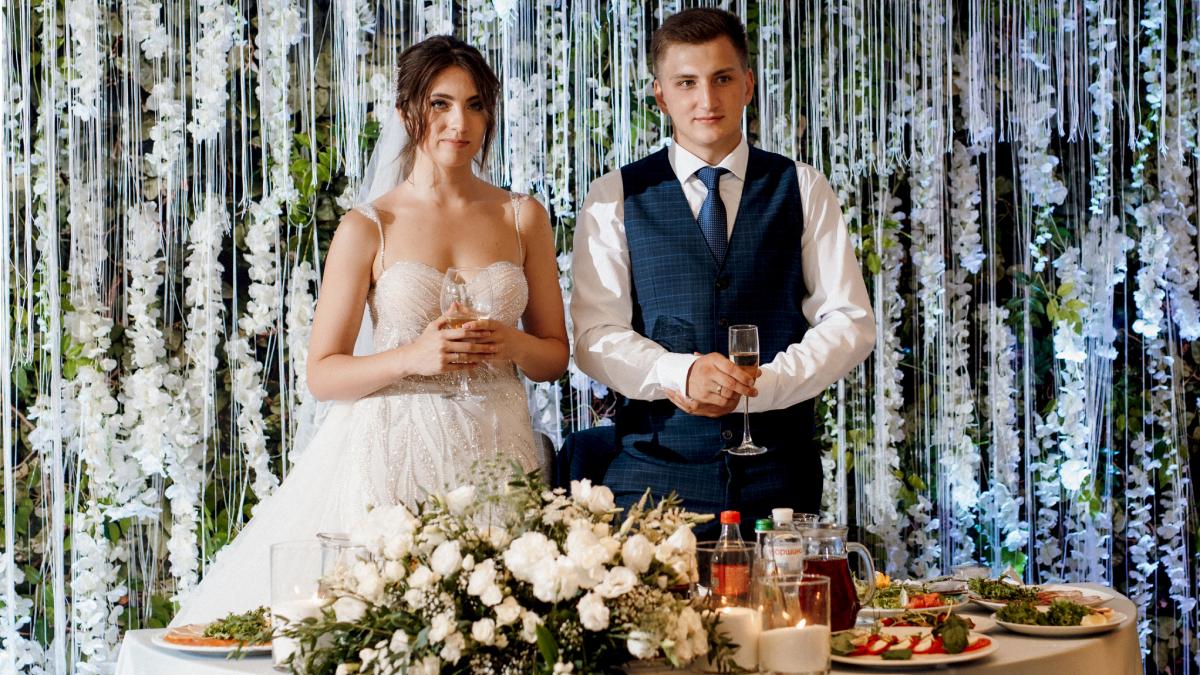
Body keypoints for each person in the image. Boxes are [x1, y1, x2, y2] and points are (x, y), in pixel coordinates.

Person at [172, 35, 568, 625]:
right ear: (409, 110)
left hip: (498, 448)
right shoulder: (369, 226)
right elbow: (323, 373)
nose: (461, 122)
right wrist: (414, 355)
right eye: (441, 103)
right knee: (388, 626)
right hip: (395, 449)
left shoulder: (522, 216)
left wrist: (509, 343)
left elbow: (555, 356)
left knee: (497, 627)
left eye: (476, 104)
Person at [570, 8, 875, 539]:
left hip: (781, 480)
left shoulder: (802, 187)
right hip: (652, 482)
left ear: (748, 85)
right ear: (661, 95)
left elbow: (850, 321)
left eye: (722, 79)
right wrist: (679, 374)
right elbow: (595, 337)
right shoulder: (613, 196)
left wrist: (764, 386)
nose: (706, 100)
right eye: (686, 83)